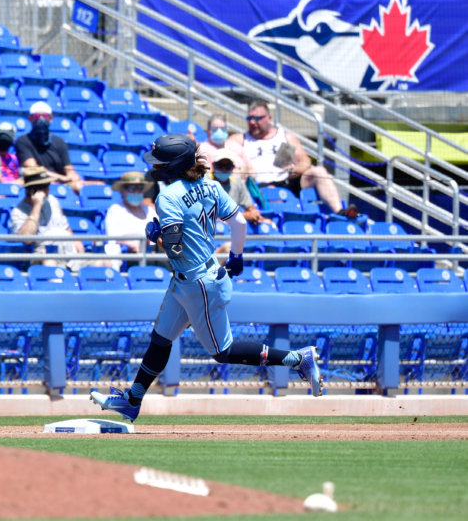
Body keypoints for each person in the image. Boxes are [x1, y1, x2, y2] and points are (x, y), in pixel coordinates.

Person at [90, 135, 323, 422]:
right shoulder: (210, 184)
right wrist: (236, 256)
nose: (154, 167)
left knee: (223, 352)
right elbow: (238, 222)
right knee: (160, 340)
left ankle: (298, 359)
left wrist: (154, 236)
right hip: (192, 277)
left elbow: (174, 246)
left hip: (197, 282)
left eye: (159, 162)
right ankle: (132, 400)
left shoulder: (169, 196)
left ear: (172, 164)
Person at [228, 100, 358, 218]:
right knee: (271, 192)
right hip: (257, 184)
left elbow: (305, 162)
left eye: (257, 118)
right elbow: (224, 156)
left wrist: (294, 170)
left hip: (286, 180)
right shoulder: (240, 139)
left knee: (319, 172)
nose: (252, 122)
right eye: (249, 118)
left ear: (269, 118)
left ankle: (340, 212)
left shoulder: (284, 137)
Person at [10, 166, 108, 271]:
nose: (46, 190)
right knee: (50, 262)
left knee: (103, 262)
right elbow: (26, 239)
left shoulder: (53, 201)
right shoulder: (18, 212)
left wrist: (75, 240)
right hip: (45, 254)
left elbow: (65, 227)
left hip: (68, 251)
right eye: (41, 186)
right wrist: (37, 206)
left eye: (47, 185)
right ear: (30, 190)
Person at [14, 101, 88, 193]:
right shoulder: (23, 141)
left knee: (96, 185)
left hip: (60, 185)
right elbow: (33, 168)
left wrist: (72, 176)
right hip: (36, 183)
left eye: (45, 116)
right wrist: (61, 177)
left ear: (50, 118)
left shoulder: (59, 142)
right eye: (37, 116)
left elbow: (68, 168)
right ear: (30, 119)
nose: (41, 119)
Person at [209, 148, 269, 255]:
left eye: (227, 166)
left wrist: (255, 215)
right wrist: (244, 216)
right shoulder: (205, 182)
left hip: (230, 226)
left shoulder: (237, 182)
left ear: (233, 167)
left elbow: (251, 209)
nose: (223, 169)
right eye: (220, 165)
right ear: (213, 165)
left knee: (269, 224)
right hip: (211, 229)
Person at [103, 171, 156, 271]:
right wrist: (132, 244)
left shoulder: (149, 210)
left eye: (140, 188)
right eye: (131, 188)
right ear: (122, 191)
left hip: (151, 250)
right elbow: (112, 237)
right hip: (129, 253)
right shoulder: (115, 210)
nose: (136, 192)